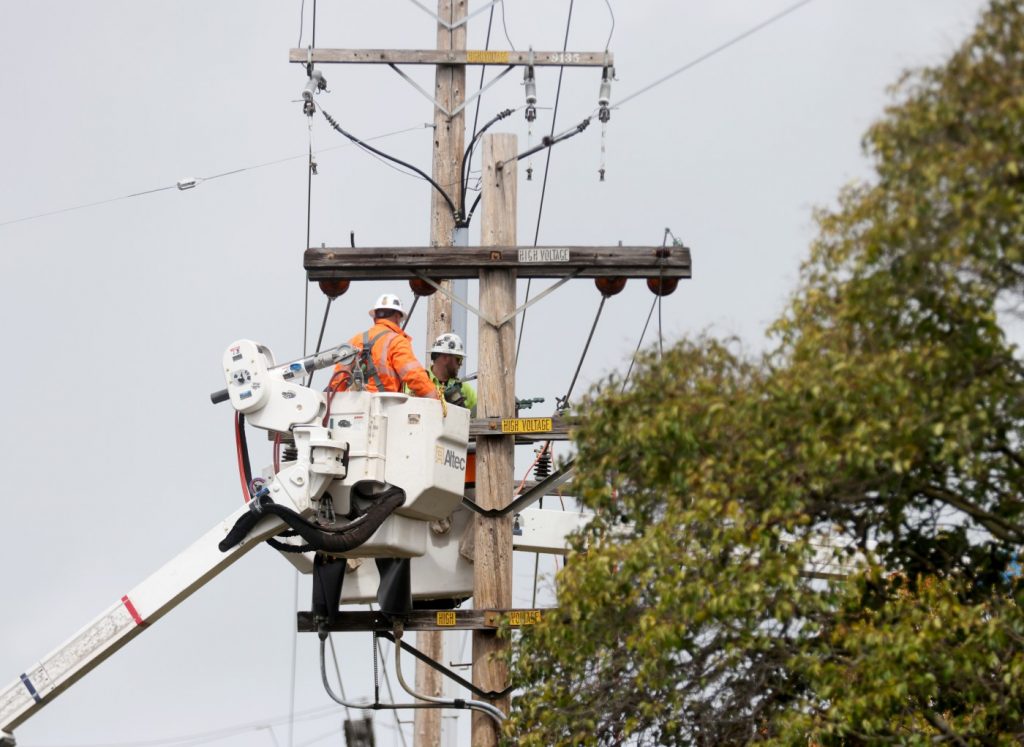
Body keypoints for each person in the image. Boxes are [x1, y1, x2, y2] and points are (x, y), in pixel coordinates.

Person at [328, 293, 438, 398]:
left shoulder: (355, 340)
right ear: (397, 317)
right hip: (384, 408)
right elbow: (414, 376)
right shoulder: (397, 341)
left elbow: (338, 379)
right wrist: (434, 398)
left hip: (354, 407)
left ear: (375, 317)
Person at [427, 332, 476, 414]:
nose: (460, 364)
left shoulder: (464, 388)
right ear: (446, 357)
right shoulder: (419, 381)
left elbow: (481, 415)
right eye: (458, 360)